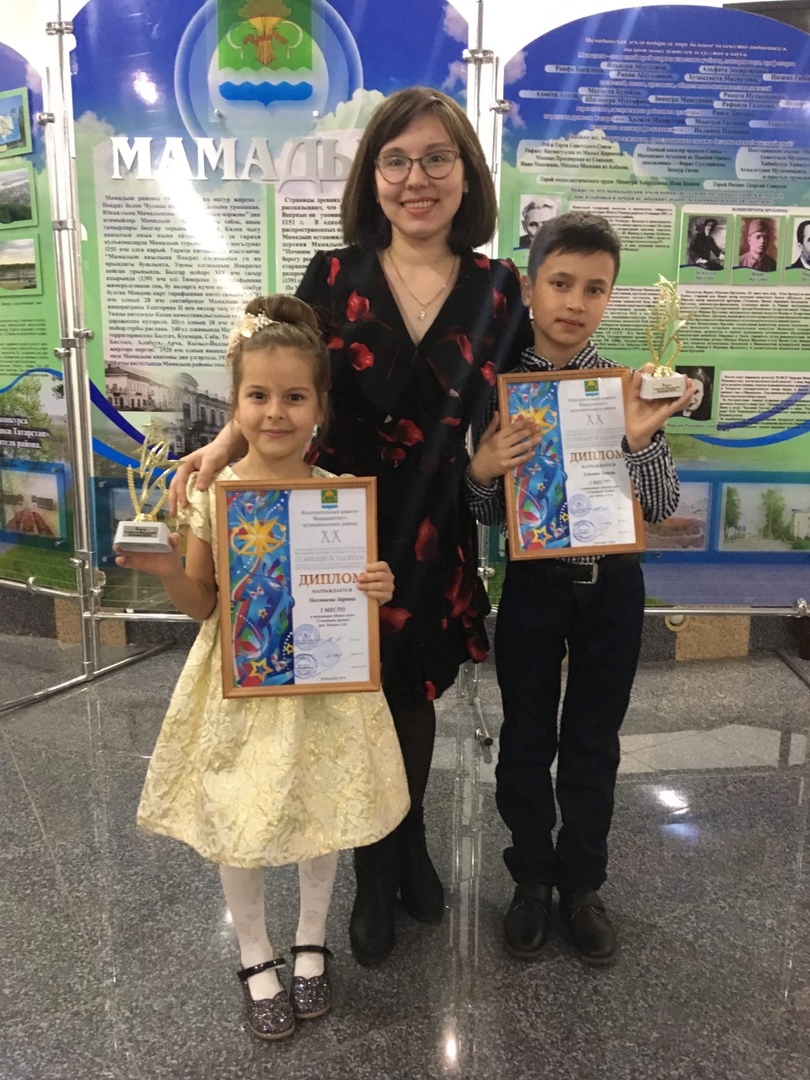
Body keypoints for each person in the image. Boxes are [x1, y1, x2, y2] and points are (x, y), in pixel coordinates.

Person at [167, 86, 532, 967]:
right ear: (372, 177)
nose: (416, 179)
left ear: (466, 174)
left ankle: (408, 842)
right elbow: (277, 374)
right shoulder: (332, 275)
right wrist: (221, 447)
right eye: (395, 161)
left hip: (436, 523)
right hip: (331, 521)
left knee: (413, 690)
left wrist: (618, 421)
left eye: (437, 158)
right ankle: (375, 871)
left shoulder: (499, 287)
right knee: (351, 698)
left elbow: (531, 400)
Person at [116, 296, 410, 1040]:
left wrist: (375, 587)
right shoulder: (213, 496)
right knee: (235, 814)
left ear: (320, 407)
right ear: (235, 403)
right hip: (239, 684)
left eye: (294, 397)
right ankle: (254, 953)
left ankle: (311, 941)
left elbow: (348, 594)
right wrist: (166, 571)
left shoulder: (337, 496)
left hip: (321, 683)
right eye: (258, 395)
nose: (275, 412)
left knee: (322, 807)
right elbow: (203, 603)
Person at [465, 212, 694, 966]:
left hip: (614, 588)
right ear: (531, 287)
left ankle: (583, 885)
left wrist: (639, 439)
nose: (575, 301)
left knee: (594, 740)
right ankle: (531, 877)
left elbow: (661, 503)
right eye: (560, 283)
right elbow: (483, 513)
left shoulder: (628, 388)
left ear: (609, 297)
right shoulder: (500, 392)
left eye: (594, 288)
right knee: (527, 736)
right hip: (535, 586)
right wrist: (482, 470)